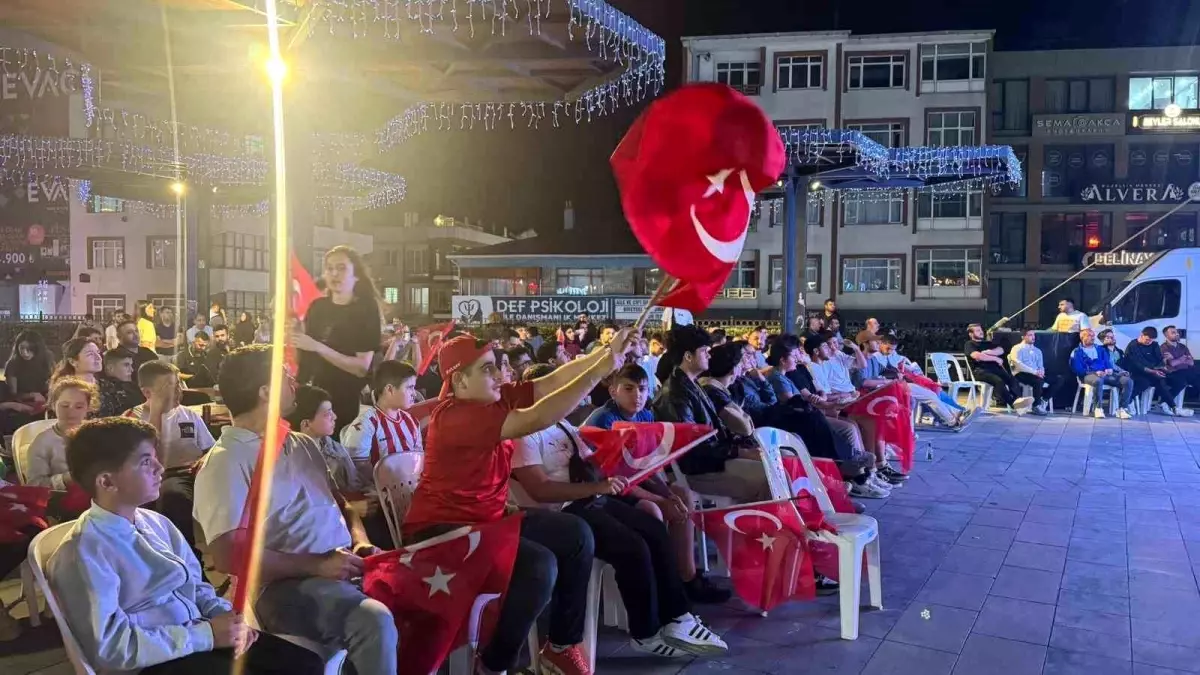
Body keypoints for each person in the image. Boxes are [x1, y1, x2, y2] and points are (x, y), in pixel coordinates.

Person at [403, 331, 638, 675]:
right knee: (538, 565)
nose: (500, 375)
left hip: (488, 520)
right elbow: (537, 417)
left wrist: (605, 353)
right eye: (487, 369)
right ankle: (494, 665)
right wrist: (599, 371)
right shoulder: (457, 416)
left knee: (575, 534)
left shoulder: (490, 400)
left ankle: (559, 647)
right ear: (459, 380)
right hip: (443, 531)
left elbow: (548, 383)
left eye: (497, 366)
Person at [194, 345, 396, 675]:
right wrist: (318, 566)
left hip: (341, 565)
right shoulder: (227, 461)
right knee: (372, 620)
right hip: (285, 586)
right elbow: (230, 556)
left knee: (419, 593)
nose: (295, 384)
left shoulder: (300, 443)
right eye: (287, 377)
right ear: (265, 392)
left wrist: (359, 542)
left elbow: (342, 506)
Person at [47, 417, 286, 675]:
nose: (160, 468)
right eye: (145, 461)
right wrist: (205, 635)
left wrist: (228, 619)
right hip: (153, 661)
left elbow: (195, 586)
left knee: (304, 664)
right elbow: (112, 648)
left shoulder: (157, 523)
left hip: (195, 637)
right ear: (106, 482)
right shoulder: (83, 553)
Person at [509, 380, 728, 658]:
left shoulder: (564, 426)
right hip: (563, 514)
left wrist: (651, 493)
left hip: (591, 500)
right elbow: (539, 490)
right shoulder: (524, 435)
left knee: (653, 529)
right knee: (631, 546)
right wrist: (597, 488)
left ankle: (678, 617)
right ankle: (645, 632)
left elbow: (599, 469)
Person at [652, 325, 767, 502]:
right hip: (699, 471)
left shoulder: (691, 384)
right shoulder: (676, 394)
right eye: (705, 351)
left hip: (714, 460)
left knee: (776, 467)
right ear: (688, 356)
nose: (709, 355)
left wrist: (741, 449)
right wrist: (739, 452)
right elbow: (693, 450)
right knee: (769, 478)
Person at [124, 360, 214, 564]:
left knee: (174, 494)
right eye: (169, 387)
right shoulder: (133, 418)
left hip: (185, 473)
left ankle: (190, 561)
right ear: (147, 392)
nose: (178, 391)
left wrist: (202, 461)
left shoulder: (188, 414)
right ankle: (163, 559)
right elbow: (144, 454)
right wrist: (156, 413)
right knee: (158, 497)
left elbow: (210, 449)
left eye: (178, 384)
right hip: (147, 474)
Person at [294, 246, 386, 437]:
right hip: (311, 400)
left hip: (344, 404)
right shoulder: (317, 307)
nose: (334, 273)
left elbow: (361, 367)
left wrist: (318, 346)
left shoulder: (365, 310)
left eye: (342, 268)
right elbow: (305, 357)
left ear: (356, 275)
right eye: (329, 268)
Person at [341, 360, 422, 487]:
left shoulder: (411, 421)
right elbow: (358, 472)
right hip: (379, 497)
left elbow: (418, 461)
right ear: (389, 389)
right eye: (410, 387)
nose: (414, 393)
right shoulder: (365, 424)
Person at [24, 377, 96, 515]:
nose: (71, 411)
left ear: (88, 407)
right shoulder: (43, 442)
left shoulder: (97, 435)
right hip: (63, 505)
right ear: (53, 405)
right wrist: (66, 479)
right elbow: (34, 486)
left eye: (79, 406)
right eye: (64, 405)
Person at [861, 334, 965, 427]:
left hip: (897, 384)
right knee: (930, 396)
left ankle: (953, 414)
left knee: (930, 394)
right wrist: (894, 376)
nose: (890, 352)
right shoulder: (875, 357)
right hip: (890, 386)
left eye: (892, 349)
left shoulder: (884, 356)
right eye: (888, 349)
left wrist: (899, 373)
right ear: (881, 344)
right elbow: (875, 377)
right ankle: (951, 420)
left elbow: (889, 368)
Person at [287, 385, 361, 494]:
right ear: (306, 424)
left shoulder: (334, 448)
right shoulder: (291, 461)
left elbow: (355, 484)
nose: (335, 417)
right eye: (328, 414)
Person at [964, 323, 1033, 412]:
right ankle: (1013, 404)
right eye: (977, 331)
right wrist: (995, 358)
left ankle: (1018, 400)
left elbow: (1001, 350)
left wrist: (988, 352)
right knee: (998, 381)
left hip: (995, 370)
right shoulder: (969, 344)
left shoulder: (988, 343)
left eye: (981, 330)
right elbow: (977, 356)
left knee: (1012, 379)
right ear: (971, 334)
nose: (981, 332)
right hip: (981, 371)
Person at [1070, 327, 1134, 419]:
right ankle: (1098, 408)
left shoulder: (1100, 349)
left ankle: (1122, 409)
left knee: (1127, 381)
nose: (1092, 338)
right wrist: (1095, 372)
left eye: (1093, 336)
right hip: (1088, 375)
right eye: (1089, 336)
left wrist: (1109, 369)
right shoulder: (1077, 352)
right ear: (1082, 338)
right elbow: (1078, 369)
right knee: (1098, 381)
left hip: (1105, 374)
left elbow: (1108, 363)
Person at [1124, 326, 1187, 416]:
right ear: (1142, 335)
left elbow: (1159, 360)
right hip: (1138, 372)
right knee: (1150, 381)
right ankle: (1173, 407)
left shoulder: (1154, 345)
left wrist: (1163, 368)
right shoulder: (1133, 345)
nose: (1149, 342)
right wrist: (1153, 371)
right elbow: (1138, 364)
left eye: (1151, 340)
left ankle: (1165, 403)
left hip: (1155, 371)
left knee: (1179, 382)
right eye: (1147, 340)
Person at [1007, 329, 1062, 415]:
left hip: (1036, 374)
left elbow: (1041, 365)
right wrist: (1035, 372)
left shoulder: (1037, 350)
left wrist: (1041, 371)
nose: (1033, 337)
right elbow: (1018, 364)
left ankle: (1044, 399)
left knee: (1059, 379)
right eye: (1030, 335)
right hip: (1021, 373)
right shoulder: (1017, 348)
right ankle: (1036, 406)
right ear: (1023, 337)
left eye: (1033, 335)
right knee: (1038, 381)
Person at [3, 330, 54, 399]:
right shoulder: (12, 364)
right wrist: (31, 395)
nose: (25, 353)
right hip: (22, 403)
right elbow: (12, 395)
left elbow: (54, 383)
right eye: (22, 348)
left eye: (30, 349)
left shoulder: (47, 358)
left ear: (38, 348)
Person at [98, 348, 145, 417]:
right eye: (126, 365)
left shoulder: (134, 387)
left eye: (131, 365)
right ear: (110, 368)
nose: (131, 370)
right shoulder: (103, 391)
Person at [1161, 325, 1199, 408]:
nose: (1177, 334)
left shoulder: (1183, 347)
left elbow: (1191, 362)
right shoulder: (1164, 347)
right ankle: (1164, 402)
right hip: (1173, 373)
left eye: (1177, 332)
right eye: (1173, 333)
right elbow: (1172, 364)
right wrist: (1182, 359)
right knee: (1181, 382)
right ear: (1166, 335)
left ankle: (1164, 402)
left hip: (1187, 372)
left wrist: (1176, 359)